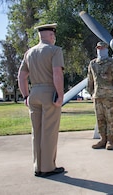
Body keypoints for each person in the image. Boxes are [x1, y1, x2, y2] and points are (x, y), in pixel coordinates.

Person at [18, 23, 65, 177]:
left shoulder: (29, 53)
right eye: (53, 35)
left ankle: (37, 166)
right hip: (49, 92)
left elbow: (22, 76)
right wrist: (60, 95)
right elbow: (57, 73)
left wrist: (25, 95)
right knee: (49, 132)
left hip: (34, 92)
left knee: (36, 132)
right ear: (51, 35)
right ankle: (47, 168)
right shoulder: (55, 50)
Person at [87, 41, 113, 150]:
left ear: (107, 49)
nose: (100, 49)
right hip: (97, 96)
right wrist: (91, 92)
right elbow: (90, 79)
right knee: (100, 119)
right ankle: (102, 140)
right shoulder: (93, 63)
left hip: (109, 96)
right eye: (98, 48)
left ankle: (110, 141)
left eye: (103, 48)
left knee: (110, 119)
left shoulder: (112, 63)